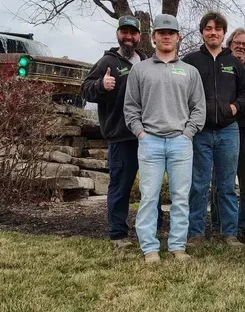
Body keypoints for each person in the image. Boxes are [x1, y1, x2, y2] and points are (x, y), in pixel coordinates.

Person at [124, 14, 206, 263]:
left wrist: (187, 133)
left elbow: (198, 108)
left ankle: (177, 246)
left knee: (181, 197)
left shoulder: (189, 71)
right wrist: (141, 133)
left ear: (178, 37)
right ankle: (149, 248)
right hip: (150, 142)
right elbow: (131, 107)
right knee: (149, 197)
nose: (166, 36)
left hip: (180, 143)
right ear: (154, 37)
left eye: (171, 32)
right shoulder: (139, 70)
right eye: (161, 32)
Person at [183, 12, 245, 247]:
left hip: (228, 131)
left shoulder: (233, 62)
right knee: (199, 184)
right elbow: (181, 92)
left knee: (226, 186)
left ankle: (229, 233)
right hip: (200, 131)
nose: (213, 32)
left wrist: (234, 108)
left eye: (218, 29)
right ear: (202, 31)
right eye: (209, 28)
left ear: (224, 34)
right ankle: (196, 233)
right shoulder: (191, 61)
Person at [81, 16, 148, 248]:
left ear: (140, 36)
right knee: (120, 186)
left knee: (151, 186)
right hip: (122, 135)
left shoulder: (147, 61)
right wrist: (101, 85)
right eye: (124, 32)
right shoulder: (107, 61)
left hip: (148, 135)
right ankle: (118, 234)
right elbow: (85, 90)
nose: (128, 37)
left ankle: (149, 231)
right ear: (118, 34)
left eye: (133, 32)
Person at [225, 27, 245, 238]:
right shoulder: (221, 65)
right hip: (223, 128)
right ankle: (222, 223)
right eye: (237, 42)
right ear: (230, 44)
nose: (240, 46)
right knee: (222, 180)